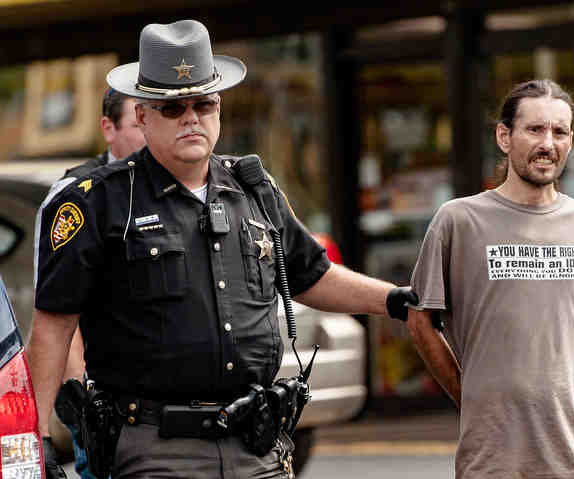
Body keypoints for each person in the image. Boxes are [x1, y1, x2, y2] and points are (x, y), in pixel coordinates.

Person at [28, 19, 416, 479]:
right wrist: (32, 442)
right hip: (155, 448)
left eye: (203, 103)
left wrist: (395, 300)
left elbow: (313, 276)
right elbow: (53, 328)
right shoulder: (99, 201)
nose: (191, 117)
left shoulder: (253, 189)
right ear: (143, 116)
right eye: (173, 108)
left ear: (220, 110)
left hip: (256, 445)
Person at [406, 79, 574, 479]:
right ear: (504, 137)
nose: (548, 143)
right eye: (535, 129)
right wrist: (469, 395)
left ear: (571, 141)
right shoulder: (458, 220)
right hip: (493, 459)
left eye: (559, 132)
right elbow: (420, 321)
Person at [35, 87, 146, 479]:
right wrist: (82, 406)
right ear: (108, 128)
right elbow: (59, 316)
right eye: (138, 122)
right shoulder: (78, 198)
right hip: (104, 402)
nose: (150, 131)